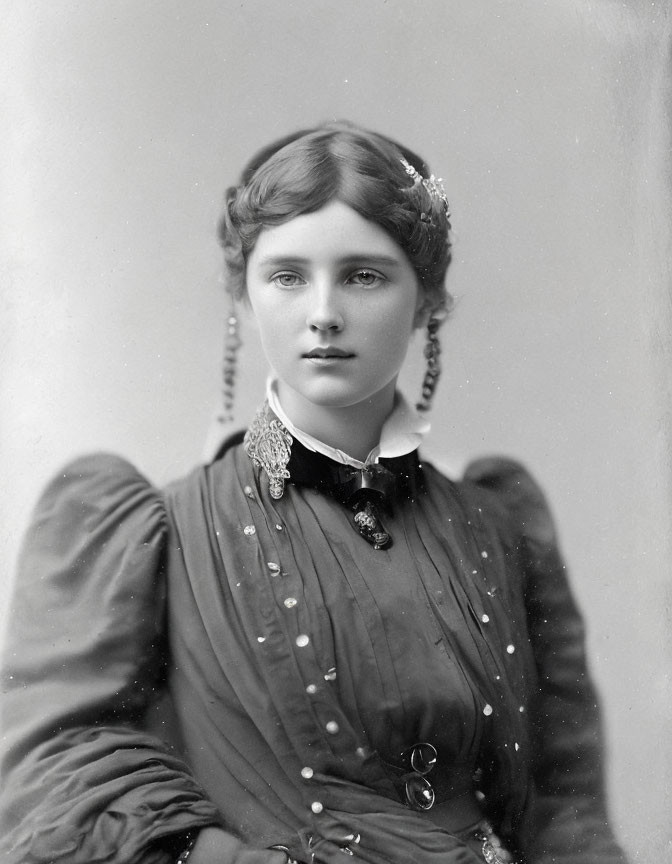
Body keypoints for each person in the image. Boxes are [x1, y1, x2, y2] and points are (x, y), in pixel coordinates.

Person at [0, 122, 629, 864]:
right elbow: (60, 772)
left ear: (427, 301)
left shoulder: (497, 525)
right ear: (244, 299)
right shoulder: (158, 532)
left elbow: (564, 799)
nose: (323, 312)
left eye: (364, 275)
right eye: (288, 276)